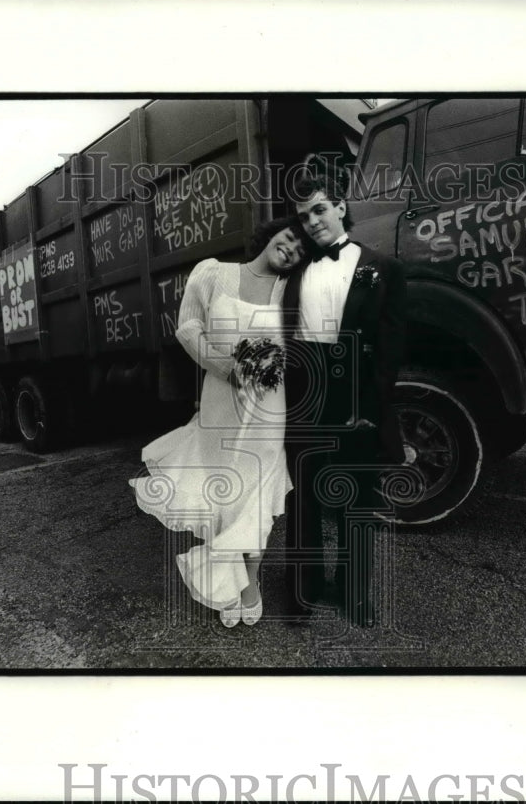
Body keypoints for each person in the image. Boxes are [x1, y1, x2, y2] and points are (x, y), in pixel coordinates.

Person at [130, 217, 309, 627]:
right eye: (289, 237)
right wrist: (226, 366)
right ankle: (232, 583)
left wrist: (267, 367)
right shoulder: (213, 272)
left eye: (301, 250)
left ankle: (250, 582)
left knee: (256, 492)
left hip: (268, 403)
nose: (291, 248)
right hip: (220, 396)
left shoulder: (290, 292)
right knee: (224, 489)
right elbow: (188, 326)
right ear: (273, 232)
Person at [282, 167, 407, 627]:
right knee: (302, 496)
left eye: (319, 209)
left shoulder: (384, 268)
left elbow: (392, 347)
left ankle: (354, 594)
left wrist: (374, 406)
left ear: (340, 207)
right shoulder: (292, 269)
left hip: (354, 390)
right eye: (303, 216)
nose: (312, 222)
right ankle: (303, 591)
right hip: (302, 391)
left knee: (355, 500)